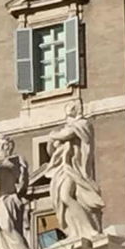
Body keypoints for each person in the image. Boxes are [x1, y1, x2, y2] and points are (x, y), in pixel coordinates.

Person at [44, 102, 104, 239]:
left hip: (74, 169)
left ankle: (88, 228)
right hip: (63, 169)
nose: (68, 110)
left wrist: (53, 136)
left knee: (65, 196)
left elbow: (66, 135)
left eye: (72, 108)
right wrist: (53, 140)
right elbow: (51, 150)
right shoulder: (67, 128)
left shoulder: (83, 124)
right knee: (62, 198)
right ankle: (75, 230)